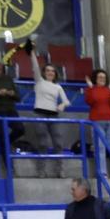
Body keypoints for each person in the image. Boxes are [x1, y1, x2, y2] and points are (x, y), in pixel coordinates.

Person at [27, 45, 70, 176]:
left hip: (54, 115)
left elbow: (67, 101)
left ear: (55, 73)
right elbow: (35, 67)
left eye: (52, 71)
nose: (50, 73)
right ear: (44, 72)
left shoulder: (58, 87)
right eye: (48, 70)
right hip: (40, 113)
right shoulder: (39, 82)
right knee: (42, 143)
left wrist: (62, 105)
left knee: (58, 142)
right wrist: (33, 53)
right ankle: (41, 170)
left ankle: (59, 170)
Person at [84, 68, 110, 165]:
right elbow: (89, 101)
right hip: (96, 121)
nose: (102, 79)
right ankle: (103, 173)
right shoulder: (91, 89)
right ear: (95, 78)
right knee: (99, 147)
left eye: (104, 77)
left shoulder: (109, 90)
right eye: (100, 77)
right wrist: (91, 88)